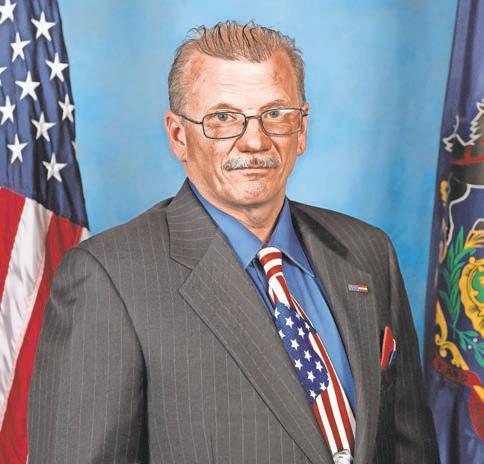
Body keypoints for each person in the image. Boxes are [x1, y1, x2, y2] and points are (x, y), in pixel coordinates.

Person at [28, 21, 439, 464]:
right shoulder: (109, 278)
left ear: (302, 129)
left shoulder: (368, 251)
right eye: (223, 118)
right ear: (178, 136)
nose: (255, 140)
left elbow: (409, 449)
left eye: (275, 114)